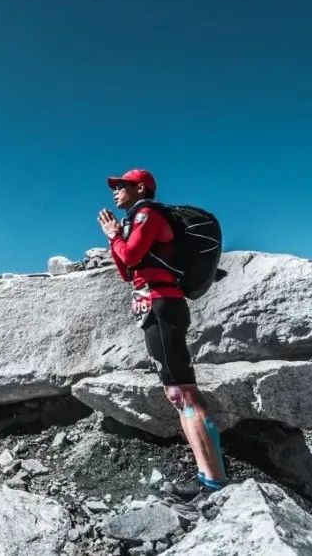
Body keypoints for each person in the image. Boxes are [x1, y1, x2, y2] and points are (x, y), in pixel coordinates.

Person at [96, 168, 228, 491]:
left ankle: (214, 480)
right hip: (155, 305)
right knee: (179, 393)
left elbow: (132, 253)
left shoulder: (148, 214)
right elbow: (128, 271)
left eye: (121, 186)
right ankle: (210, 474)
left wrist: (115, 236)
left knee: (183, 394)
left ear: (140, 187)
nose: (115, 191)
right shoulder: (135, 219)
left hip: (161, 304)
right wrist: (117, 237)